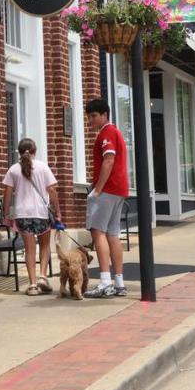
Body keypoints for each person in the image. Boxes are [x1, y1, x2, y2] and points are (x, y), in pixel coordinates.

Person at [1, 138, 60, 296]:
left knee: (29, 249)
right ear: (35, 151)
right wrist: (58, 213)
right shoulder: (43, 167)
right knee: (45, 245)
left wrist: (6, 214)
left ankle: (33, 285)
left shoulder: (13, 169)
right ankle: (42, 276)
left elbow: (7, 193)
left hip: (22, 214)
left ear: (19, 153)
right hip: (41, 213)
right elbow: (52, 191)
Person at [83, 99, 130, 298]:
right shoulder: (116, 132)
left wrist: (97, 189)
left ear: (104, 115)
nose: (91, 120)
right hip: (119, 189)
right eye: (89, 116)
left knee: (98, 232)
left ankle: (104, 282)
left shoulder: (107, 133)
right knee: (113, 234)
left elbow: (108, 159)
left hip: (107, 189)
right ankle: (119, 282)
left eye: (94, 116)